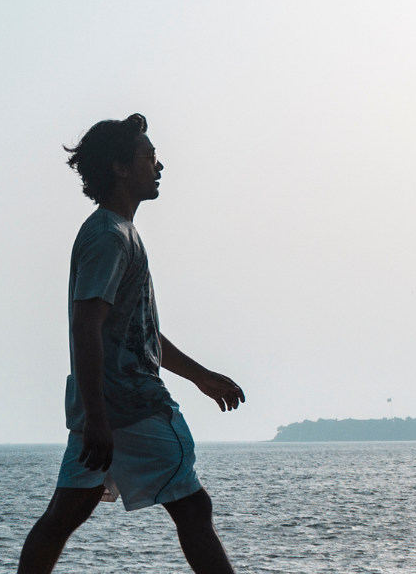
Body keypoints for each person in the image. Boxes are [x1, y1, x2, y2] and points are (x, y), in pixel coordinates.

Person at [17, 114, 247, 574]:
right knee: (194, 511)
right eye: (149, 157)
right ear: (121, 168)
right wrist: (99, 419)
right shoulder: (109, 237)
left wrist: (200, 376)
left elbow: (134, 332)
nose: (159, 166)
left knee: (63, 516)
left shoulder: (119, 233)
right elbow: (86, 327)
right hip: (130, 408)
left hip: (104, 409)